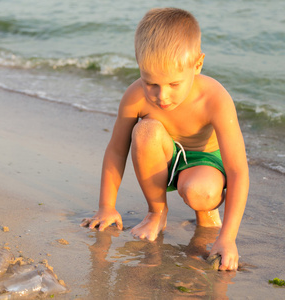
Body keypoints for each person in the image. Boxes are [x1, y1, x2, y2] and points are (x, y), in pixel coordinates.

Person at [81, 7, 249, 271]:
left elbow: (237, 169)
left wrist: (227, 238)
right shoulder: (135, 96)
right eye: (151, 83)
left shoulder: (215, 98)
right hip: (164, 158)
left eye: (174, 84)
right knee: (145, 131)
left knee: (200, 193)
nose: (162, 96)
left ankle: (207, 217)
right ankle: (157, 212)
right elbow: (116, 150)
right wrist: (106, 206)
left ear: (198, 64)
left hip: (204, 165)